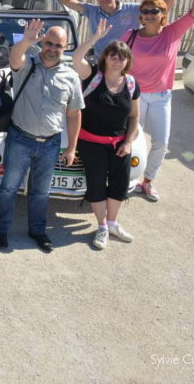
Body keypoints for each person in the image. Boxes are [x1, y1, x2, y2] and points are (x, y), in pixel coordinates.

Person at [0, 19, 84, 253]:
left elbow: (74, 115)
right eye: (49, 43)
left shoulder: (71, 76)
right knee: (8, 188)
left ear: (65, 48)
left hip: (51, 144)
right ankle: (1, 231)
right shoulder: (27, 65)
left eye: (58, 45)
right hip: (20, 138)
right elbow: (14, 58)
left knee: (41, 192)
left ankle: (38, 231)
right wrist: (26, 41)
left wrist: (71, 148)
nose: (52, 49)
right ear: (42, 42)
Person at [122, 0, 194, 202]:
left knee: (161, 142)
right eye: (146, 10)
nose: (150, 14)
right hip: (133, 97)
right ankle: (125, 178)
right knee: (128, 139)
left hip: (161, 97)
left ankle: (148, 181)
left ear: (163, 14)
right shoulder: (129, 36)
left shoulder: (172, 33)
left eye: (155, 11)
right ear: (141, 15)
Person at [70, 22, 140, 249]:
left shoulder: (131, 84)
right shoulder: (92, 76)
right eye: (113, 55)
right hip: (91, 144)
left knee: (119, 185)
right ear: (106, 58)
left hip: (120, 145)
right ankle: (101, 227)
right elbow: (75, 58)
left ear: (127, 61)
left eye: (122, 56)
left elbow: (134, 117)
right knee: (96, 185)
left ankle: (112, 223)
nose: (117, 59)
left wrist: (128, 142)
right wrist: (94, 37)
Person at [61, 0, 183, 56]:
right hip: (102, 65)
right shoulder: (91, 11)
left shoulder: (132, 9)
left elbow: (161, 8)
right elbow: (66, 0)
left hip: (128, 64)